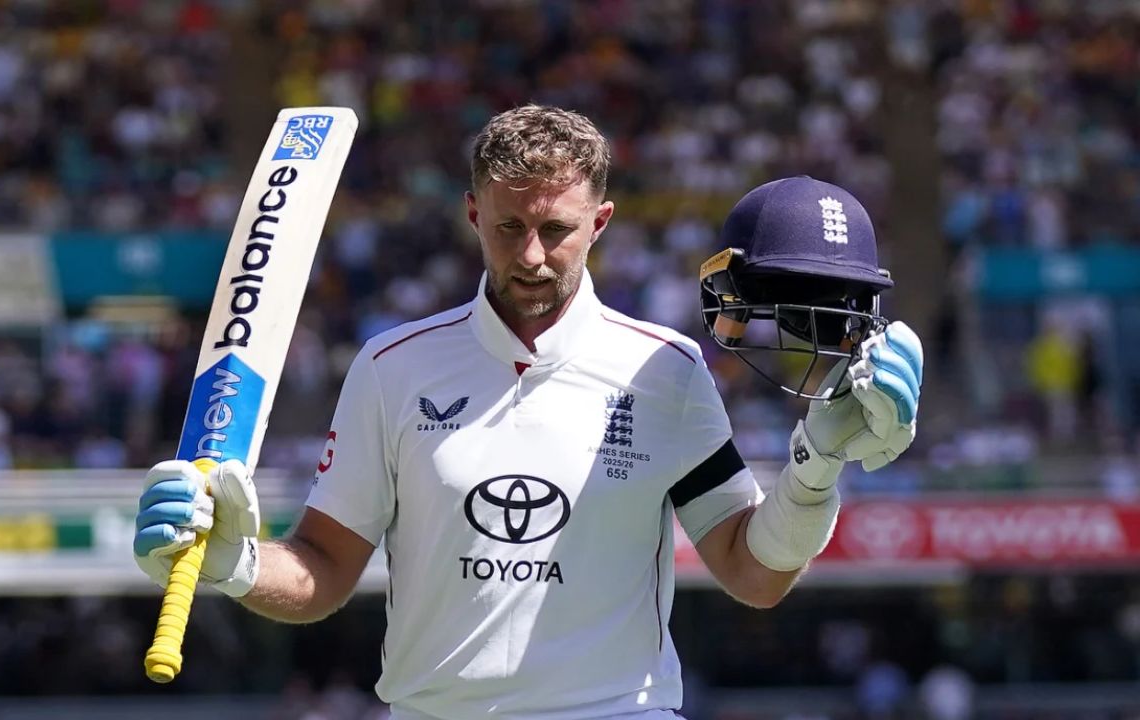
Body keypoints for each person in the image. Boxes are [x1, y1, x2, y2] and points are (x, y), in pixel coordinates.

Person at [133, 105, 923, 719]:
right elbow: (324, 570)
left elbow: (753, 574)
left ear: (600, 222)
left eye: (557, 230)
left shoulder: (667, 371)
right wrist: (236, 563)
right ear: (473, 214)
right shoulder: (391, 366)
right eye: (510, 227)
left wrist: (815, 471)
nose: (533, 255)